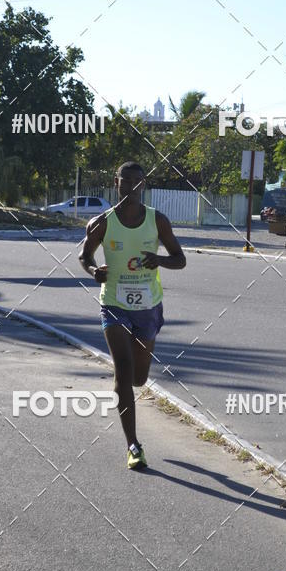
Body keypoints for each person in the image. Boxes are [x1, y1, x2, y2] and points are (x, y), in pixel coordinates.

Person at [79, 162, 186, 469]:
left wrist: (160, 260)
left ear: (143, 186)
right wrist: (93, 270)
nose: (130, 188)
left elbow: (180, 259)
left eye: (137, 182)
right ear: (117, 184)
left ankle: (135, 393)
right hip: (113, 304)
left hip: (148, 307)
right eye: (125, 182)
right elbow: (84, 256)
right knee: (123, 371)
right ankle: (133, 445)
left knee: (139, 377)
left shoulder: (158, 221)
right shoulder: (101, 223)